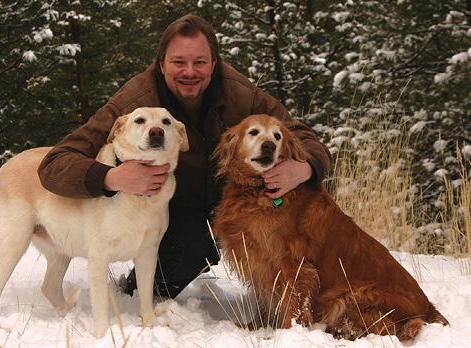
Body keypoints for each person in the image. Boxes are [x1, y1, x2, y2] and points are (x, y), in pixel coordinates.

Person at [37, 14, 332, 298]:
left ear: (214, 64)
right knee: (190, 249)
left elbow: (305, 138)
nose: (189, 71)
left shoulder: (240, 93)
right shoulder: (136, 102)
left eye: (199, 62)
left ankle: (306, 292)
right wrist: (111, 177)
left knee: (307, 210)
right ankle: (144, 288)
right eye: (178, 62)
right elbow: (55, 164)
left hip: (233, 200)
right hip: (174, 211)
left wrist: (304, 169)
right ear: (162, 64)